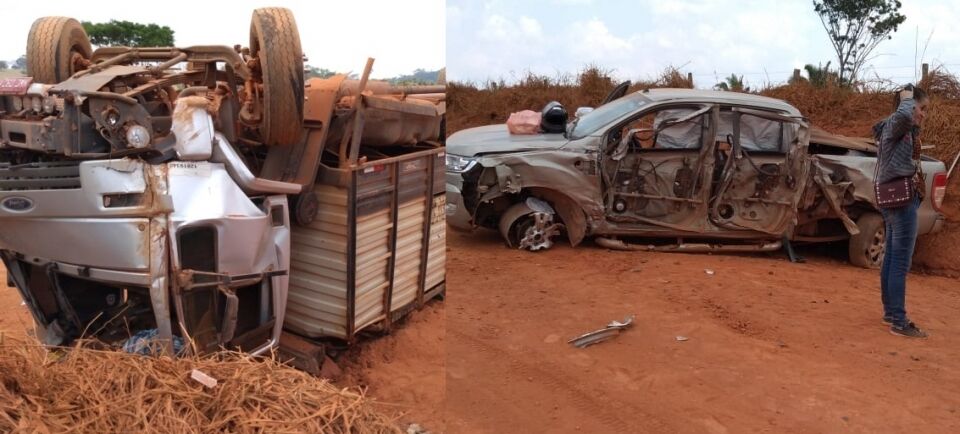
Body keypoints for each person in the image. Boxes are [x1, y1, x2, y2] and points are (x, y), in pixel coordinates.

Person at [873, 84, 929, 338]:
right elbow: (905, 115)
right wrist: (907, 98)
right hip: (901, 199)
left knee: (893, 257)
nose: (922, 114)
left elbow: (906, 119)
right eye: (921, 108)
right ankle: (899, 320)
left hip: (892, 197)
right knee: (900, 262)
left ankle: (890, 312)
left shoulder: (894, 126)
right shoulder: (898, 123)